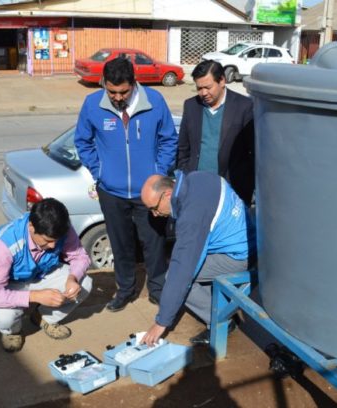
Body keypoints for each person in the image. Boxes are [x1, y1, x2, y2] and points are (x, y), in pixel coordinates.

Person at [75, 57, 178, 312]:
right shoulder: (92, 105)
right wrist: (99, 173)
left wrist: (158, 174)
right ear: (103, 84)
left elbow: (168, 140)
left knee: (153, 244)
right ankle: (125, 290)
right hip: (111, 192)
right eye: (112, 91)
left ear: (134, 83)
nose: (118, 97)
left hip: (149, 194)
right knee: (120, 245)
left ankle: (157, 290)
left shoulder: (154, 101)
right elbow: (83, 142)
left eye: (123, 91)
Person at [139, 171, 256, 347]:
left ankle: (220, 319)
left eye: (154, 208)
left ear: (168, 194)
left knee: (176, 277)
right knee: (185, 266)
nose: (155, 214)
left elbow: (181, 272)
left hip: (241, 257)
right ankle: (220, 306)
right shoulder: (198, 177)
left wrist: (161, 322)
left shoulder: (191, 216)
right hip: (251, 237)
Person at [0, 198, 92, 352]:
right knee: (3, 318)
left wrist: (72, 278)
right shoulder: (4, 243)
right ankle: (12, 331)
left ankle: (43, 317)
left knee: (84, 284)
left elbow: (80, 257)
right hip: (11, 283)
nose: (53, 246)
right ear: (31, 227)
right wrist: (35, 296)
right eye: (47, 240)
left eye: (56, 240)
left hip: (42, 273)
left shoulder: (62, 229)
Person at [177, 60, 255, 206]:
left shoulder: (244, 106)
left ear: (222, 81)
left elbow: (253, 151)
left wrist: (248, 185)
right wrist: (186, 174)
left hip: (232, 190)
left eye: (208, 87)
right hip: (196, 188)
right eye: (199, 88)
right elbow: (183, 147)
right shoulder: (191, 106)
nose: (203, 93)